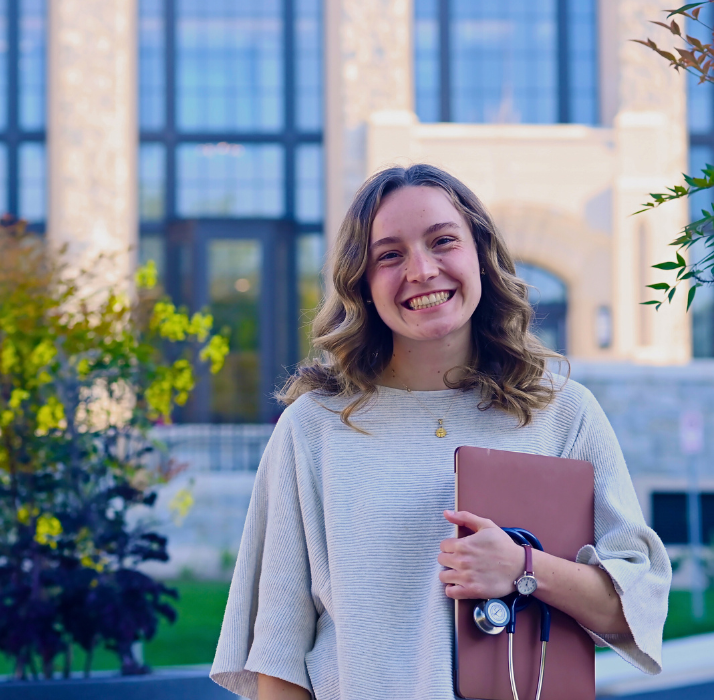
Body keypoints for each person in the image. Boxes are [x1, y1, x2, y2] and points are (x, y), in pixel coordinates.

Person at [209, 164, 671, 700]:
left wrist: (525, 567)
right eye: (390, 255)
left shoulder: (561, 412)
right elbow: (280, 658)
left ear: (481, 253)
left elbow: (637, 604)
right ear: (362, 281)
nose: (423, 270)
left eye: (443, 241)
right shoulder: (313, 429)